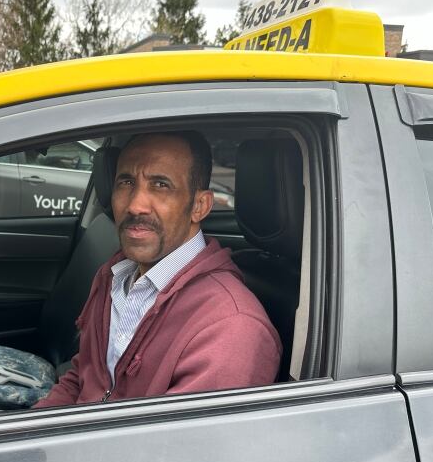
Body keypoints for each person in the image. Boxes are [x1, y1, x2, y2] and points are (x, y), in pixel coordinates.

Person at [34, 131, 281, 407]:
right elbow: (82, 377)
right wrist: (28, 433)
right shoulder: (115, 275)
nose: (135, 205)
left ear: (200, 206)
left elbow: (174, 448)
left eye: (161, 185)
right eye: (126, 182)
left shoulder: (231, 330)